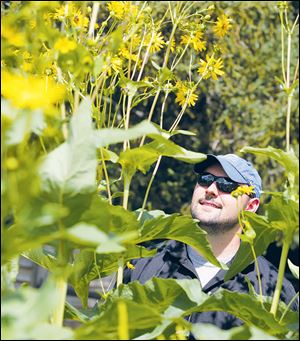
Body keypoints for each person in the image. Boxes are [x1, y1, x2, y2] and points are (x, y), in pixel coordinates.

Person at [123, 153, 298, 332]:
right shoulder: (143, 263)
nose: (211, 189)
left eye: (227, 185)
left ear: (251, 206)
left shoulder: (273, 289)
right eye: (205, 179)